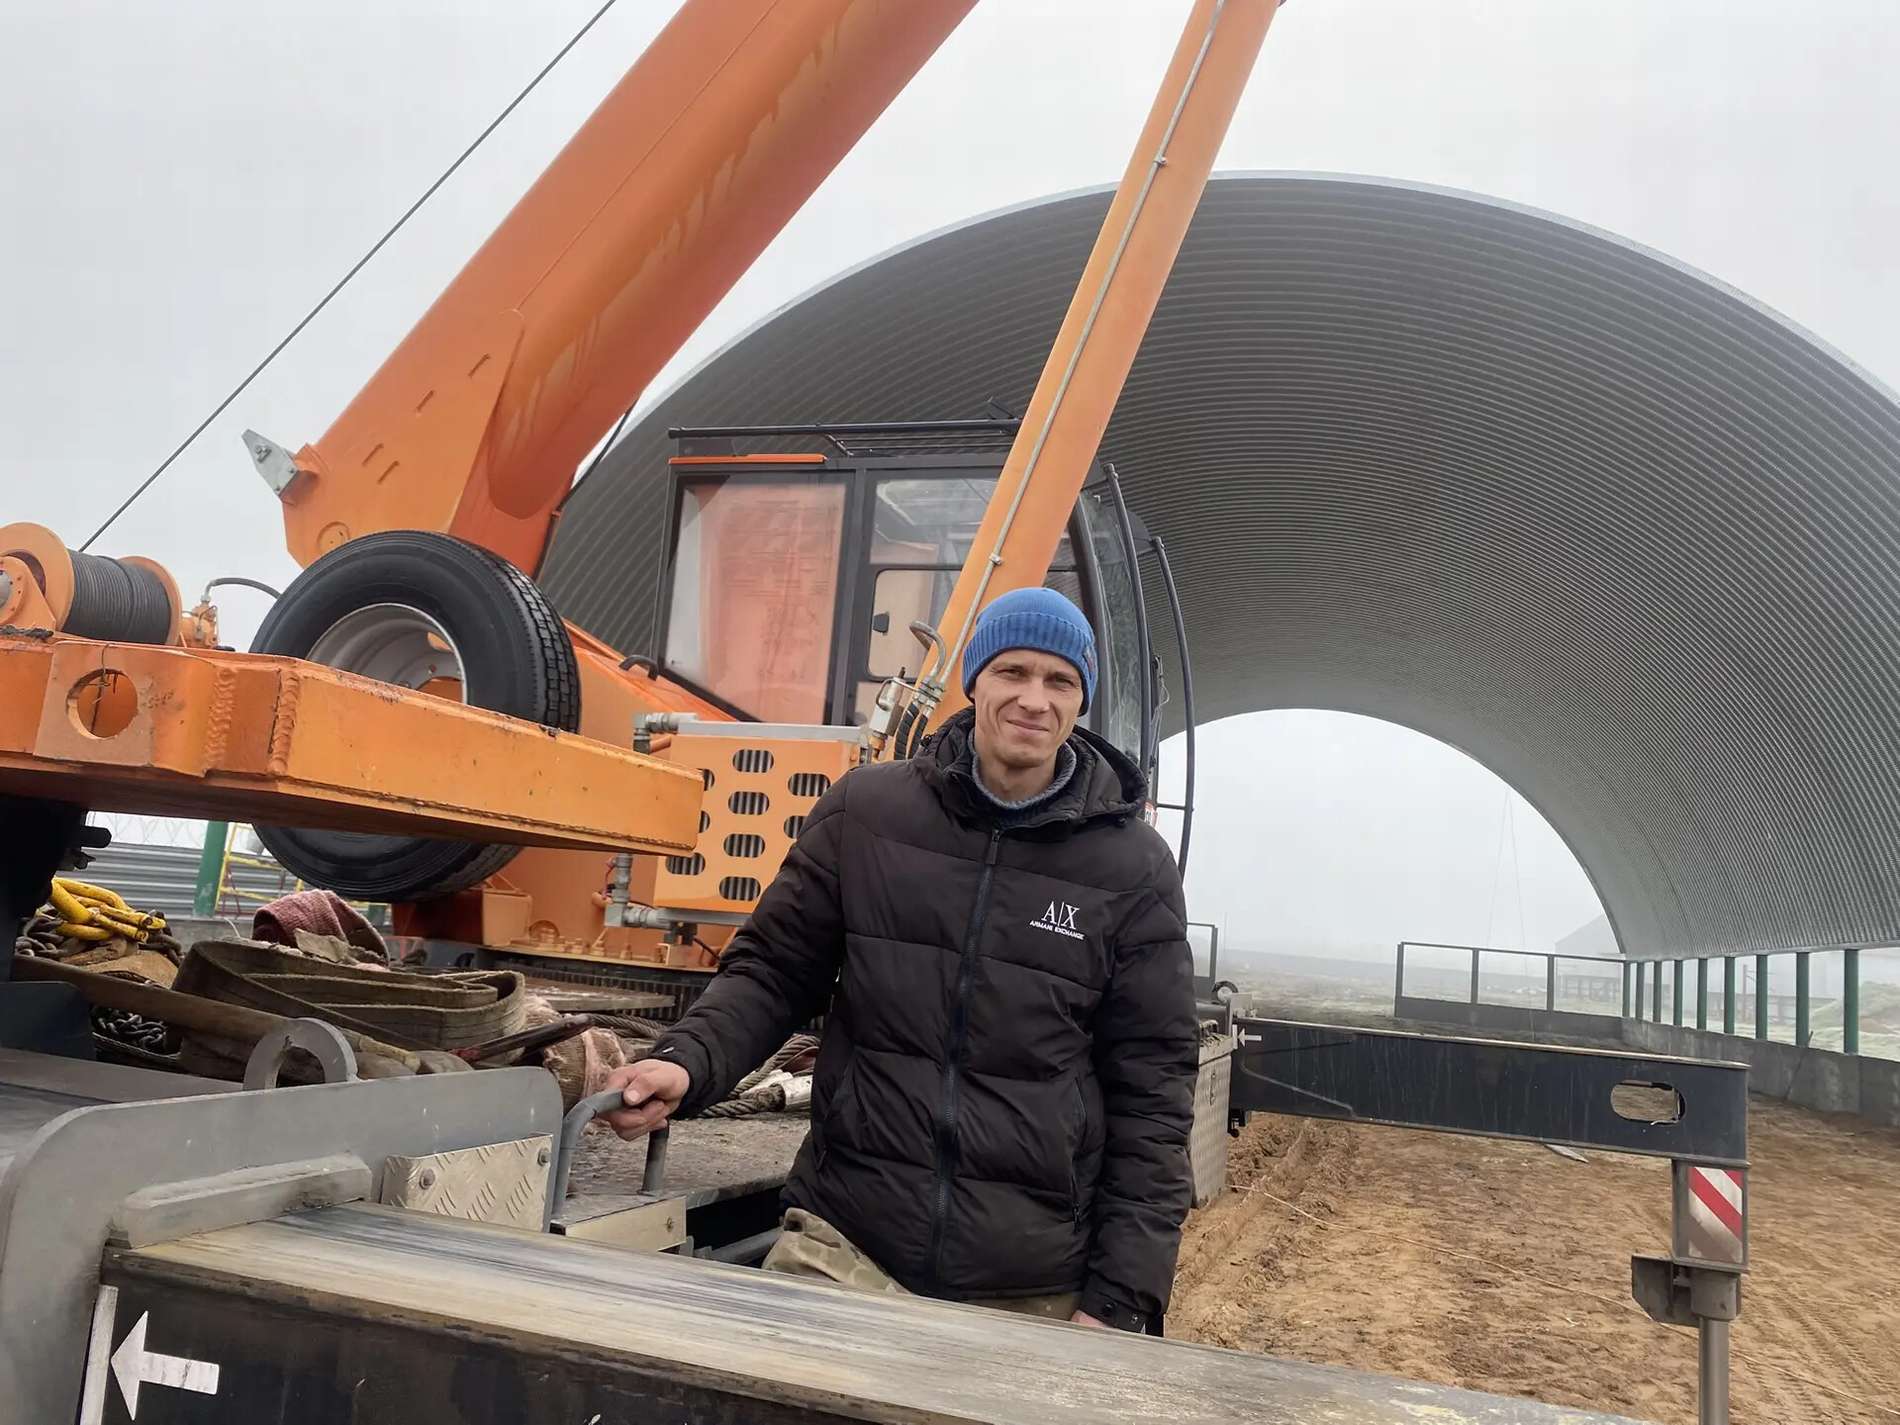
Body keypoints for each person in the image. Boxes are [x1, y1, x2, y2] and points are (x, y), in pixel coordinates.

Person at [604, 586, 1197, 1333]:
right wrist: (686, 1061)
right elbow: (772, 972)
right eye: (1012, 671)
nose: (1034, 699)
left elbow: (1153, 1091)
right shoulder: (867, 814)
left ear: (1082, 702)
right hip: (846, 1243)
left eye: (1060, 680)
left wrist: (1118, 1299)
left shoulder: (1131, 867)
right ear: (975, 679)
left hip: (1029, 1282)